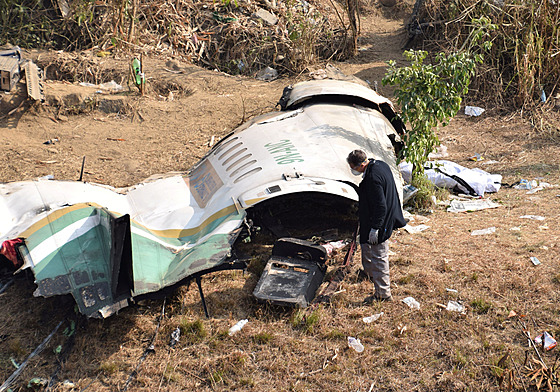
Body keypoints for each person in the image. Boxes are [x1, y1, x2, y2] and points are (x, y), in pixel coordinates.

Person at [347, 149, 406, 302]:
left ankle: (383, 294)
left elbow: (381, 207)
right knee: (365, 244)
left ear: (359, 165)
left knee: (379, 256)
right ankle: (368, 272)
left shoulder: (373, 178)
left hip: (381, 221)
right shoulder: (379, 164)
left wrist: (376, 229)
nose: (353, 171)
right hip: (372, 217)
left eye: (353, 167)